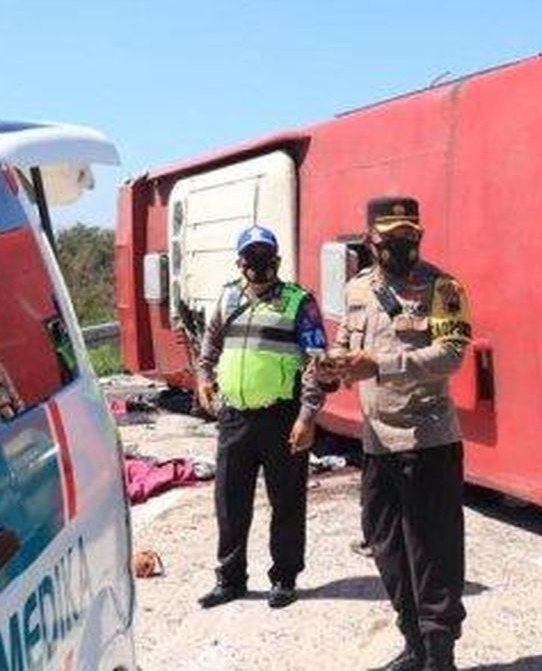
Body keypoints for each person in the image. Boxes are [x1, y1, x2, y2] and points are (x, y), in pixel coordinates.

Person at [319, 196, 472, 671]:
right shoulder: (358, 290)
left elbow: (452, 354)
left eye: (412, 237)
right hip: (376, 443)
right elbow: (347, 343)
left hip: (427, 442)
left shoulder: (444, 287)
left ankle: (440, 653)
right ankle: (414, 642)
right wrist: (332, 367)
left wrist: (380, 365)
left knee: (433, 552)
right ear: (372, 242)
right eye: (393, 240)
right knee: (385, 545)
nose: (405, 246)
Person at [196, 225, 330, 610]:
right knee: (229, 502)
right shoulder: (227, 298)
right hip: (235, 417)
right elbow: (208, 350)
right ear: (239, 262)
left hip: (282, 417)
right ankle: (230, 578)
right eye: (250, 256)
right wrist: (204, 378)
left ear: (278, 260)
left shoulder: (299, 302)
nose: (257, 264)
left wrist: (307, 416)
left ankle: (284, 577)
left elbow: (315, 365)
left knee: (286, 500)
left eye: (264, 256)